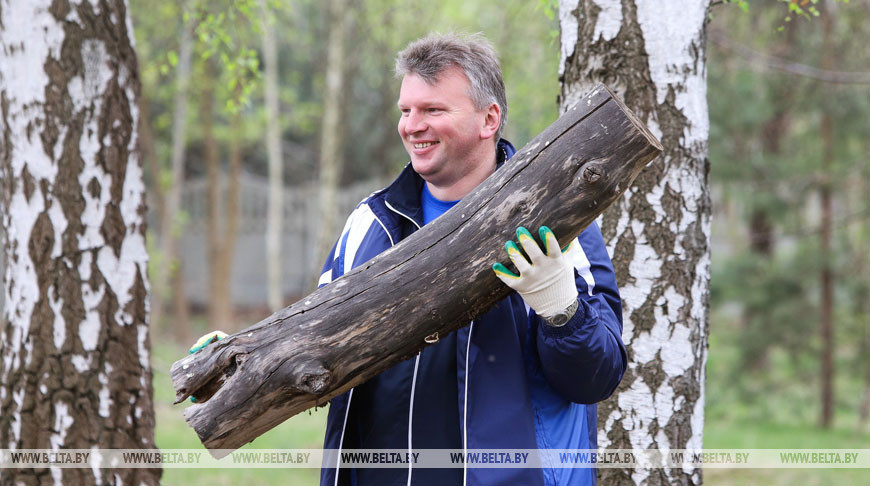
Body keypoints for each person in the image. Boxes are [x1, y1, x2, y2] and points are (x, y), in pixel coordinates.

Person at [315, 33, 627, 486]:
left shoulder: (559, 221)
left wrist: (563, 310)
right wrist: (242, 356)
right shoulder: (371, 223)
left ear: (489, 118)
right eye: (406, 111)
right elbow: (316, 347)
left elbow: (597, 377)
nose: (411, 125)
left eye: (433, 110)